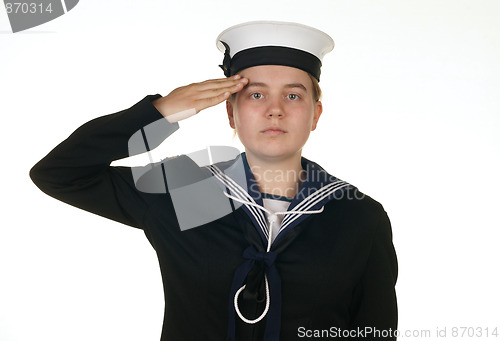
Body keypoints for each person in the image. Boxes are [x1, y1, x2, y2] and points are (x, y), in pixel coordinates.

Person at [30, 21, 398, 340]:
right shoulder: (185, 191)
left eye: (293, 95)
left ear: (315, 114)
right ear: (230, 112)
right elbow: (60, 173)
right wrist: (160, 113)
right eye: (256, 94)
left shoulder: (358, 217)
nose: (275, 109)